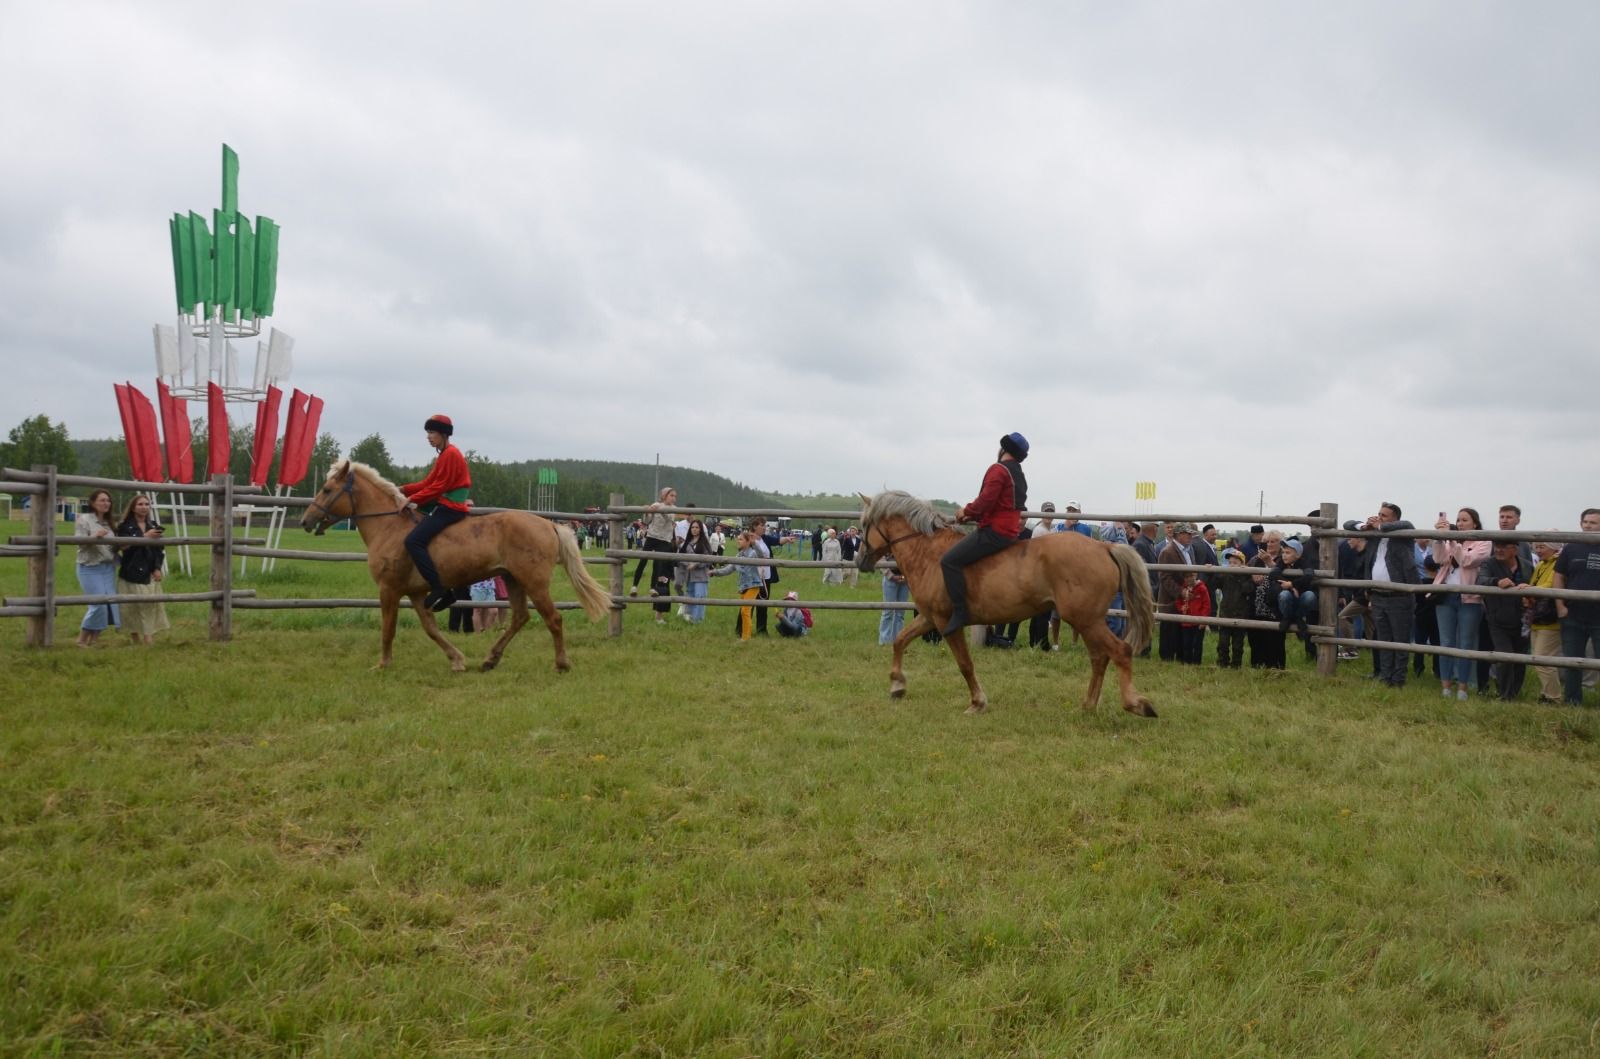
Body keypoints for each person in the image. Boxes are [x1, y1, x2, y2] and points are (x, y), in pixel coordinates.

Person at [939, 433, 1029, 636]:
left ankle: (960, 612)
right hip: (1010, 530)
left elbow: (986, 501)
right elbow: (1003, 505)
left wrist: (966, 512)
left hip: (995, 531)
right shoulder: (1018, 474)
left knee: (949, 561)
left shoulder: (998, 469)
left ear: (1003, 449)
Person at [399, 414, 472, 611]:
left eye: (431, 432)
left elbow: (438, 487)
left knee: (413, 541)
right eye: (428, 433)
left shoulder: (450, 454)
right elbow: (427, 483)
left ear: (443, 434)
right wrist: (402, 490)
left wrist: (412, 499)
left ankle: (439, 588)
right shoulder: (444, 455)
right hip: (445, 505)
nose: (428, 437)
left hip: (450, 508)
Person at [1350, 503, 1420, 688]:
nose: (1380, 517)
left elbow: (1409, 524)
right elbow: (1348, 524)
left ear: (1395, 519)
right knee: (1383, 639)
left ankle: (1398, 680)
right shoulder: (1373, 535)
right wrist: (1363, 526)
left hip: (1399, 595)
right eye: (1379, 514)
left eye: (1385, 515)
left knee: (1400, 640)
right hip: (1378, 596)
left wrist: (1380, 526)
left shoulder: (1403, 534)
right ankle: (1385, 676)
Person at [1430, 507, 1490, 701]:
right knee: (1446, 642)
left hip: (1470, 597)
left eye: (1465, 520)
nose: (1461, 523)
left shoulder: (1484, 542)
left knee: (1465, 644)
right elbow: (1438, 559)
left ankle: (1463, 687)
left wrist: (1453, 541)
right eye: (1459, 520)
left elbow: (1466, 560)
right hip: (1446, 595)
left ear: (1475, 523)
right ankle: (1446, 686)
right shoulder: (1449, 540)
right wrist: (1440, 538)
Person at [1553, 507, 1600, 706]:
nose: (1588, 526)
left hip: (1598, 616)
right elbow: (1558, 576)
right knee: (1572, 662)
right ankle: (1572, 703)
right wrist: (1560, 607)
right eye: (1586, 522)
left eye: (1594, 523)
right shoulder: (1571, 548)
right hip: (1572, 614)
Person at [1476, 539, 1531, 701]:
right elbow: (1481, 580)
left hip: (1522, 619)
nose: (1499, 550)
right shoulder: (1489, 563)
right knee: (1504, 657)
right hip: (1497, 619)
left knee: (1520, 659)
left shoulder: (1527, 565)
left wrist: (1529, 592)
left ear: (1515, 549)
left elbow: (1533, 583)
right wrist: (1496, 581)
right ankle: (1504, 695)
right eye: (1497, 546)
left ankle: (1513, 693)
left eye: (1504, 547)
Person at [115, 494, 169, 645]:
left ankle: (148, 637)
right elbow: (122, 546)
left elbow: (159, 550)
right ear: (133, 507)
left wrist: (157, 568)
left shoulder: (153, 525)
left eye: (147, 504)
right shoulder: (125, 526)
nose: (144, 507)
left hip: (149, 571)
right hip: (131, 571)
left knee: (148, 606)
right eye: (140, 504)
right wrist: (144, 536)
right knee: (130, 607)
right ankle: (135, 638)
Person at [74, 488, 120, 647]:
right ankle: (81, 639)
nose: (106, 503)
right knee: (97, 604)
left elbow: (113, 545)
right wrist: (95, 536)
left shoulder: (110, 522)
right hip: (89, 567)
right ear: (93, 502)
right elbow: (78, 542)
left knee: (109, 603)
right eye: (102, 500)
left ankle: (94, 640)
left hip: (108, 568)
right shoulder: (84, 519)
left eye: (108, 500)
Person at [629, 487, 678, 622]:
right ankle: (634, 586)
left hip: (664, 539)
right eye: (671, 495)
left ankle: (652, 588)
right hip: (652, 536)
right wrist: (646, 511)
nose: (673, 498)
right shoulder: (656, 505)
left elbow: (669, 518)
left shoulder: (674, 508)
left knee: (658, 563)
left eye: (675, 496)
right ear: (664, 496)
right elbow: (646, 520)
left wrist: (659, 510)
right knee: (643, 559)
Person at [1527, 538, 1564, 704]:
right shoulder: (1542, 564)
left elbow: (1551, 585)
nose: (1539, 550)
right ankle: (1546, 693)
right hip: (1538, 616)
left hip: (1551, 618)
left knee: (1542, 658)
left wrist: (1529, 590)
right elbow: (1534, 582)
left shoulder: (1558, 563)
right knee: (1539, 658)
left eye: (1542, 547)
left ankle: (1554, 697)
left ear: (1553, 547)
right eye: (1537, 547)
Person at [1157, 522, 1198, 662]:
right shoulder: (1167, 552)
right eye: (1188, 534)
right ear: (1179, 535)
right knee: (1169, 630)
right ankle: (1166, 659)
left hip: (1184, 599)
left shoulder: (1188, 550)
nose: (1191, 537)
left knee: (1180, 630)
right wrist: (1181, 592)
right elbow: (1165, 578)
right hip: (1171, 600)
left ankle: (1180, 657)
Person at [1273, 538, 1316, 641]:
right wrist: (1291, 587)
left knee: (1310, 595)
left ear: (1298, 555)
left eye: (1288, 553)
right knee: (1284, 595)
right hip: (1288, 598)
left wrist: (1292, 583)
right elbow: (1273, 574)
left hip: (1300, 597)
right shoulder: (1281, 562)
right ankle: (1289, 617)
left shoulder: (1303, 562)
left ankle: (1297, 617)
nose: (1284, 555)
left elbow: (1309, 575)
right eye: (1283, 552)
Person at [1215, 547, 1250, 668]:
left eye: (1235, 563)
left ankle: (1236, 664)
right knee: (1223, 642)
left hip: (1240, 614)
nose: (1231, 565)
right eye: (1230, 562)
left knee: (1237, 643)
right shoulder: (1225, 576)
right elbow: (1215, 583)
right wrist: (1211, 570)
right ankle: (1222, 662)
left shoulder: (1246, 577)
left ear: (1242, 564)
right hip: (1225, 612)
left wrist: (1241, 576)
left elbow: (1248, 590)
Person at [677, 518, 716, 623]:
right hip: (689, 576)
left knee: (699, 597)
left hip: (701, 576)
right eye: (693, 527)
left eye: (697, 527)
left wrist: (696, 564)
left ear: (701, 529)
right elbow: (680, 557)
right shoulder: (686, 543)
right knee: (690, 595)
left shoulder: (704, 542)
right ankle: (689, 617)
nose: (694, 529)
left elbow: (709, 559)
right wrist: (688, 564)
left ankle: (697, 620)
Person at [1175, 572, 1211, 665]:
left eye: (1191, 576)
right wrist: (1181, 608)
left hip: (1198, 623)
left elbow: (1206, 605)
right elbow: (1178, 601)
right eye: (1186, 577)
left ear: (1195, 576)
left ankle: (1196, 663)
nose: (1188, 579)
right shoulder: (1183, 589)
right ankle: (1186, 662)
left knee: (1197, 644)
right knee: (1186, 644)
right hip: (1186, 622)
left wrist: (1203, 620)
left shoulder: (1202, 589)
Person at [879, 560, 911, 646]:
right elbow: (881, 559)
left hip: (905, 579)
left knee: (900, 613)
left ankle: (898, 641)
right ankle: (884, 642)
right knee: (888, 612)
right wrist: (891, 576)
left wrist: (905, 576)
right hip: (890, 579)